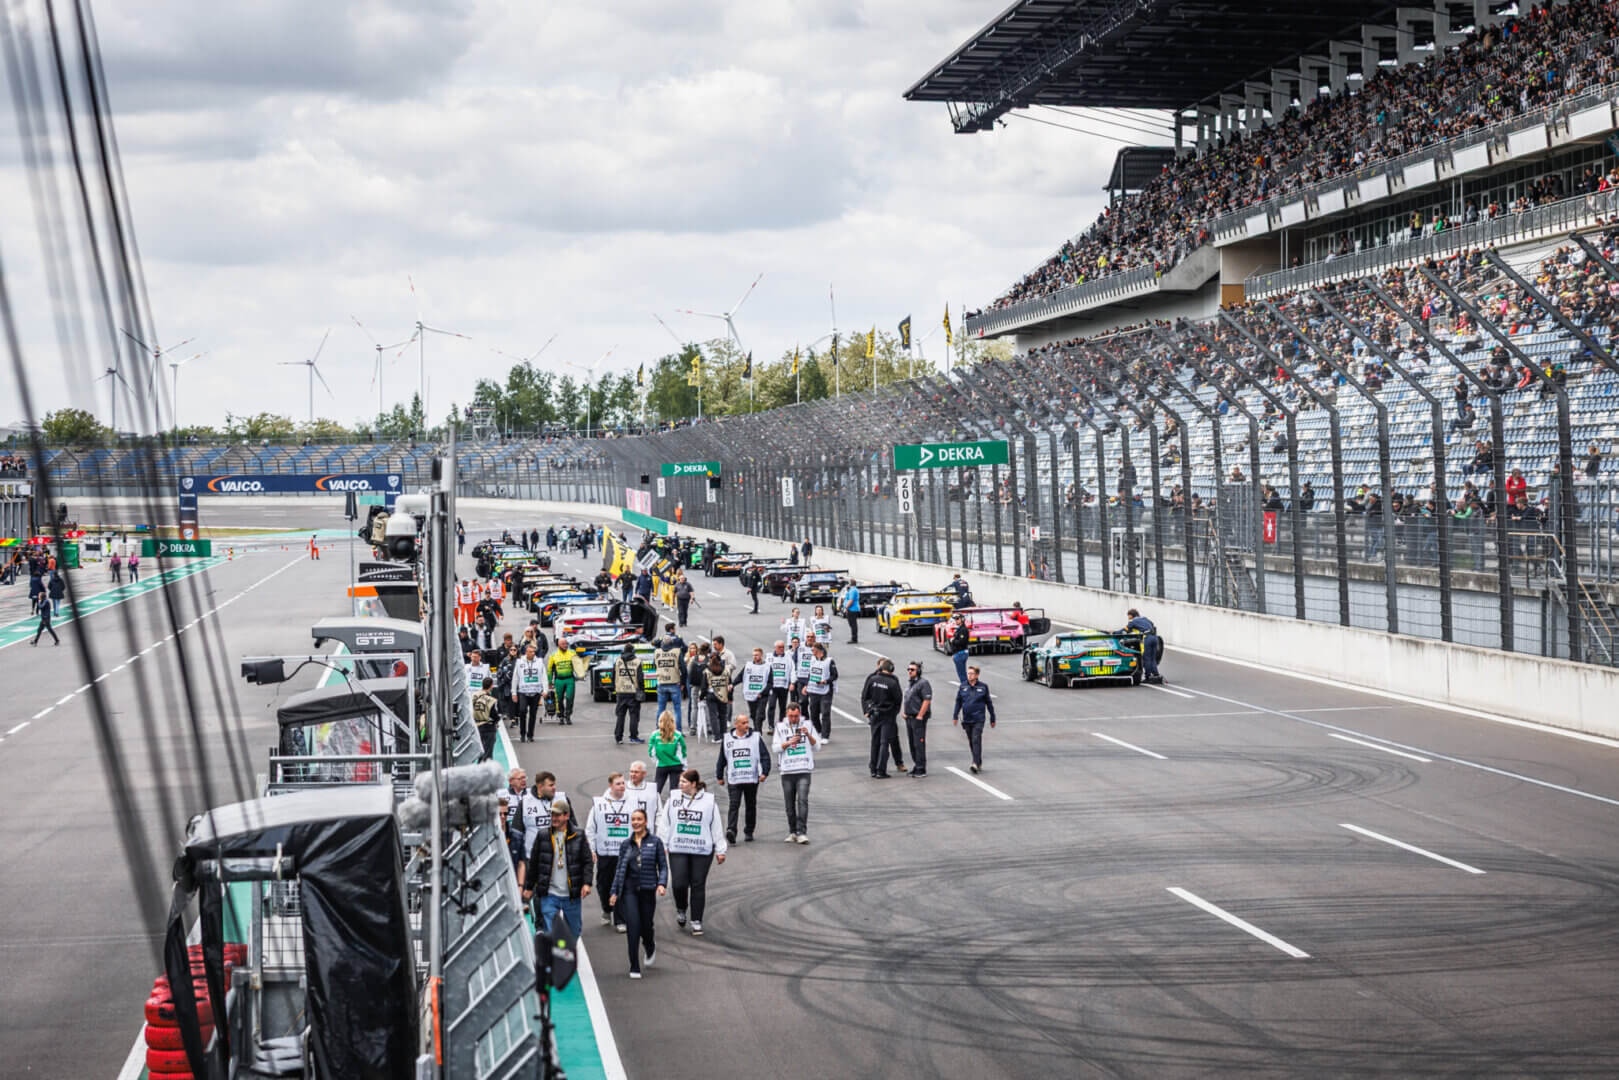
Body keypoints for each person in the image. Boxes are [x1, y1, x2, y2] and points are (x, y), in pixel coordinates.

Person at [658, 769, 727, 935]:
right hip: (678, 847)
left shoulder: (709, 802)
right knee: (679, 883)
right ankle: (681, 908)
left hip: (702, 849)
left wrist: (720, 849)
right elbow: (664, 823)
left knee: (698, 883)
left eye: (684, 782)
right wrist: (662, 844)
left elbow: (716, 826)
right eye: (680, 781)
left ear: (694, 784)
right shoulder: (673, 799)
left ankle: (696, 920)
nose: (680, 784)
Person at [609, 808, 668, 978]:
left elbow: (663, 866)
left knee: (646, 927)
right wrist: (614, 892)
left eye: (639, 819)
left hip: (648, 890)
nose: (635, 822)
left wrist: (662, 883)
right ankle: (634, 965)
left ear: (646, 822)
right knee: (633, 926)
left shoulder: (656, 842)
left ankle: (650, 946)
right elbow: (619, 870)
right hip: (629, 892)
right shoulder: (625, 845)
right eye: (633, 819)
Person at [522, 799, 590, 939]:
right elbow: (534, 863)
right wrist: (528, 887)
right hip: (549, 894)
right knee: (552, 932)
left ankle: (565, 955)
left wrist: (587, 883)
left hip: (571, 895)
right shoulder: (543, 835)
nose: (554, 818)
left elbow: (587, 861)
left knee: (574, 932)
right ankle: (556, 958)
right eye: (552, 815)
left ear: (566, 816)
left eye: (558, 815)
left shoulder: (579, 835)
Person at [586, 773, 634, 930]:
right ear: (610, 786)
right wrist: (592, 849)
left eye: (623, 783)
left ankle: (621, 919)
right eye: (618, 783)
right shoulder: (599, 804)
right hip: (605, 852)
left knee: (622, 884)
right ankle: (606, 909)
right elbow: (590, 829)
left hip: (624, 852)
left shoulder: (632, 803)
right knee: (603, 884)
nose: (622, 786)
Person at [715, 710, 769, 843]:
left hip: (751, 778)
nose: (746, 725)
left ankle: (749, 830)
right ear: (736, 724)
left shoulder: (755, 737)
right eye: (743, 723)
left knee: (751, 805)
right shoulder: (727, 739)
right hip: (734, 779)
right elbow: (722, 758)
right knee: (734, 804)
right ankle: (731, 830)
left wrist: (764, 772)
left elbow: (764, 756)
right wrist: (719, 775)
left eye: (747, 722)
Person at [773, 703, 820, 844]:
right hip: (787, 770)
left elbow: (817, 746)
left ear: (800, 714)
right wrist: (788, 743)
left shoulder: (808, 724)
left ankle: (802, 832)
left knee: (803, 800)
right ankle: (792, 831)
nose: (794, 719)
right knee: (789, 804)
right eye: (791, 716)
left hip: (803, 769)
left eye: (796, 716)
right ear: (787, 715)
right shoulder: (780, 727)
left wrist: (808, 735)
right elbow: (775, 748)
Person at [513, 771, 563, 877]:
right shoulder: (525, 803)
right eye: (551, 785)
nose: (554, 787)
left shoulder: (562, 800)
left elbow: (574, 829)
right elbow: (517, 834)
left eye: (554, 784)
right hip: (532, 859)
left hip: (557, 858)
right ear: (540, 786)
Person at [861, 657, 904, 779]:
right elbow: (898, 700)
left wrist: (867, 711)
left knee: (875, 742)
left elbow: (864, 696)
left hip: (874, 715)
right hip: (887, 716)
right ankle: (881, 770)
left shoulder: (872, 679)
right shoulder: (893, 682)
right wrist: (893, 713)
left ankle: (873, 768)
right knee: (884, 743)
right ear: (891, 669)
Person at [952, 665, 996, 774]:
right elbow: (958, 702)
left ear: (977, 675)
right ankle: (978, 760)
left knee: (976, 739)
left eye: (972, 673)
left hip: (978, 719)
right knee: (971, 741)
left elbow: (988, 703)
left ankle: (975, 763)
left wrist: (992, 717)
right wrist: (955, 715)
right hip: (967, 719)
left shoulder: (983, 687)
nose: (969, 675)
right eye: (968, 673)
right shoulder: (963, 687)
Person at [802, 641, 837, 743]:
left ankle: (825, 735)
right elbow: (810, 674)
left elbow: (835, 675)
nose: (812, 652)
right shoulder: (813, 660)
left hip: (825, 691)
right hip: (813, 690)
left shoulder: (829, 661)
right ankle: (819, 731)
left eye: (813, 650)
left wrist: (825, 681)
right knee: (813, 713)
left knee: (825, 713)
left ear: (819, 651)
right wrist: (806, 685)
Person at [653, 628, 686, 732]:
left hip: (662, 682)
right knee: (677, 708)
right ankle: (679, 731)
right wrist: (683, 682)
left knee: (661, 708)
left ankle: (659, 730)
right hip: (674, 683)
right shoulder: (677, 652)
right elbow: (683, 669)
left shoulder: (657, 652)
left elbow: (655, 664)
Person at [903, 660, 933, 778]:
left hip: (918, 717)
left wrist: (920, 715)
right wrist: (904, 712)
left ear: (918, 671)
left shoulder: (923, 683)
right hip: (909, 717)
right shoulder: (910, 683)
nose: (910, 671)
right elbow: (907, 699)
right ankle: (916, 765)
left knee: (918, 743)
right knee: (912, 743)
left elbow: (927, 700)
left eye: (912, 669)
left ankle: (921, 768)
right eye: (908, 669)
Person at [512, 643, 545, 742]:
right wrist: (514, 692)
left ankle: (530, 734)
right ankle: (522, 733)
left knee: (533, 714)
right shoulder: (519, 662)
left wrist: (545, 690)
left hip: (535, 691)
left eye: (534, 652)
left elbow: (544, 676)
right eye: (530, 652)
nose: (533, 653)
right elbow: (515, 678)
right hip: (523, 691)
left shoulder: (539, 662)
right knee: (522, 711)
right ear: (526, 652)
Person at [649, 710, 687, 795]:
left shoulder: (654, 735)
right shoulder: (678, 735)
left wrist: (657, 761)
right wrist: (684, 767)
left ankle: (654, 806)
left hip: (661, 765)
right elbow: (683, 753)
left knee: (656, 791)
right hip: (676, 765)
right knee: (674, 792)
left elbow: (651, 752)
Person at [613, 644, 645, 744]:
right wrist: (642, 689)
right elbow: (640, 679)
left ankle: (618, 737)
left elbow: (613, 675)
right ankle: (633, 737)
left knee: (620, 715)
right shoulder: (637, 661)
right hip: (633, 692)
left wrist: (615, 687)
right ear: (633, 651)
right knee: (634, 716)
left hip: (621, 691)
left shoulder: (618, 661)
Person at [1124, 607, 1164, 683]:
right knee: (1153, 658)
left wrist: (1114, 633)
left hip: (1148, 638)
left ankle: (1148, 676)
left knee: (1146, 658)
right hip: (1155, 638)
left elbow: (1125, 630)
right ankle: (1156, 674)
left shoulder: (1133, 621)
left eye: (1128, 616)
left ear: (1131, 615)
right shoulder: (1145, 618)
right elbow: (1152, 624)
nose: (1128, 618)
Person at [547, 637, 581, 725]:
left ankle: (568, 715)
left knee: (570, 697)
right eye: (563, 644)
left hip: (569, 679)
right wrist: (550, 681)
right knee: (559, 699)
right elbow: (549, 669)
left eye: (566, 644)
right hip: (559, 680)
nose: (565, 645)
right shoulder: (553, 655)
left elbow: (578, 665)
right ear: (558, 645)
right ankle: (561, 716)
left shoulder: (572, 653)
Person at [738, 646, 772, 730]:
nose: (755, 657)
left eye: (757, 655)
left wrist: (762, 693)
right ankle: (756, 727)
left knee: (759, 715)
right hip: (751, 694)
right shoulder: (748, 666)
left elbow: (770, 683)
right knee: (753, 714)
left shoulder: (767, 667)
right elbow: (740, 676)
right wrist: (732, 684)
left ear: (761, 655)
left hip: (762, 695)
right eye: (753, 655)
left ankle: (758, 731)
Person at [765, 640, 792, 732]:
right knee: (771, 705)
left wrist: (792, 682)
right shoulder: (769, 657)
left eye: (783, 647)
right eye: (779, 647)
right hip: (773, 687)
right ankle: (771, 726)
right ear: (775, 648)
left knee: (783, 707)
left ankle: (781, 725)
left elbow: (792, 670)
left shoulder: (788, 657)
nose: (781, 649)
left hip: (783, 686)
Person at [504, 768, 528, 870]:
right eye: (520, 778)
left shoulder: (531, 794)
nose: (524, 780)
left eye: (524, 777)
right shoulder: (502, 795)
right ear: (511, 781)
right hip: (511, 838)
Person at [473, 676, 500, 759]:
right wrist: (498, 719)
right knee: (488, 752)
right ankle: (485, 769)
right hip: (488, 726)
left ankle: (479, 767)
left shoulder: (474, 696)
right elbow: (494, 714)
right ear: (491, 686)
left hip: (477, 725)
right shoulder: (490, 700)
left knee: (480, 752)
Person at [946, 615, 971, 686]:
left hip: (960, 653)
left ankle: (966, 688)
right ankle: (966, 686)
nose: (956, 620)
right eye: (955, 619)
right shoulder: (959, 629)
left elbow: (962, 642)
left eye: (957, 619)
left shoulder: (963, 629)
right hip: (958, 653)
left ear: (962, 620)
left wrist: (953, 640)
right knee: (961, 673)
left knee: (961, 673)